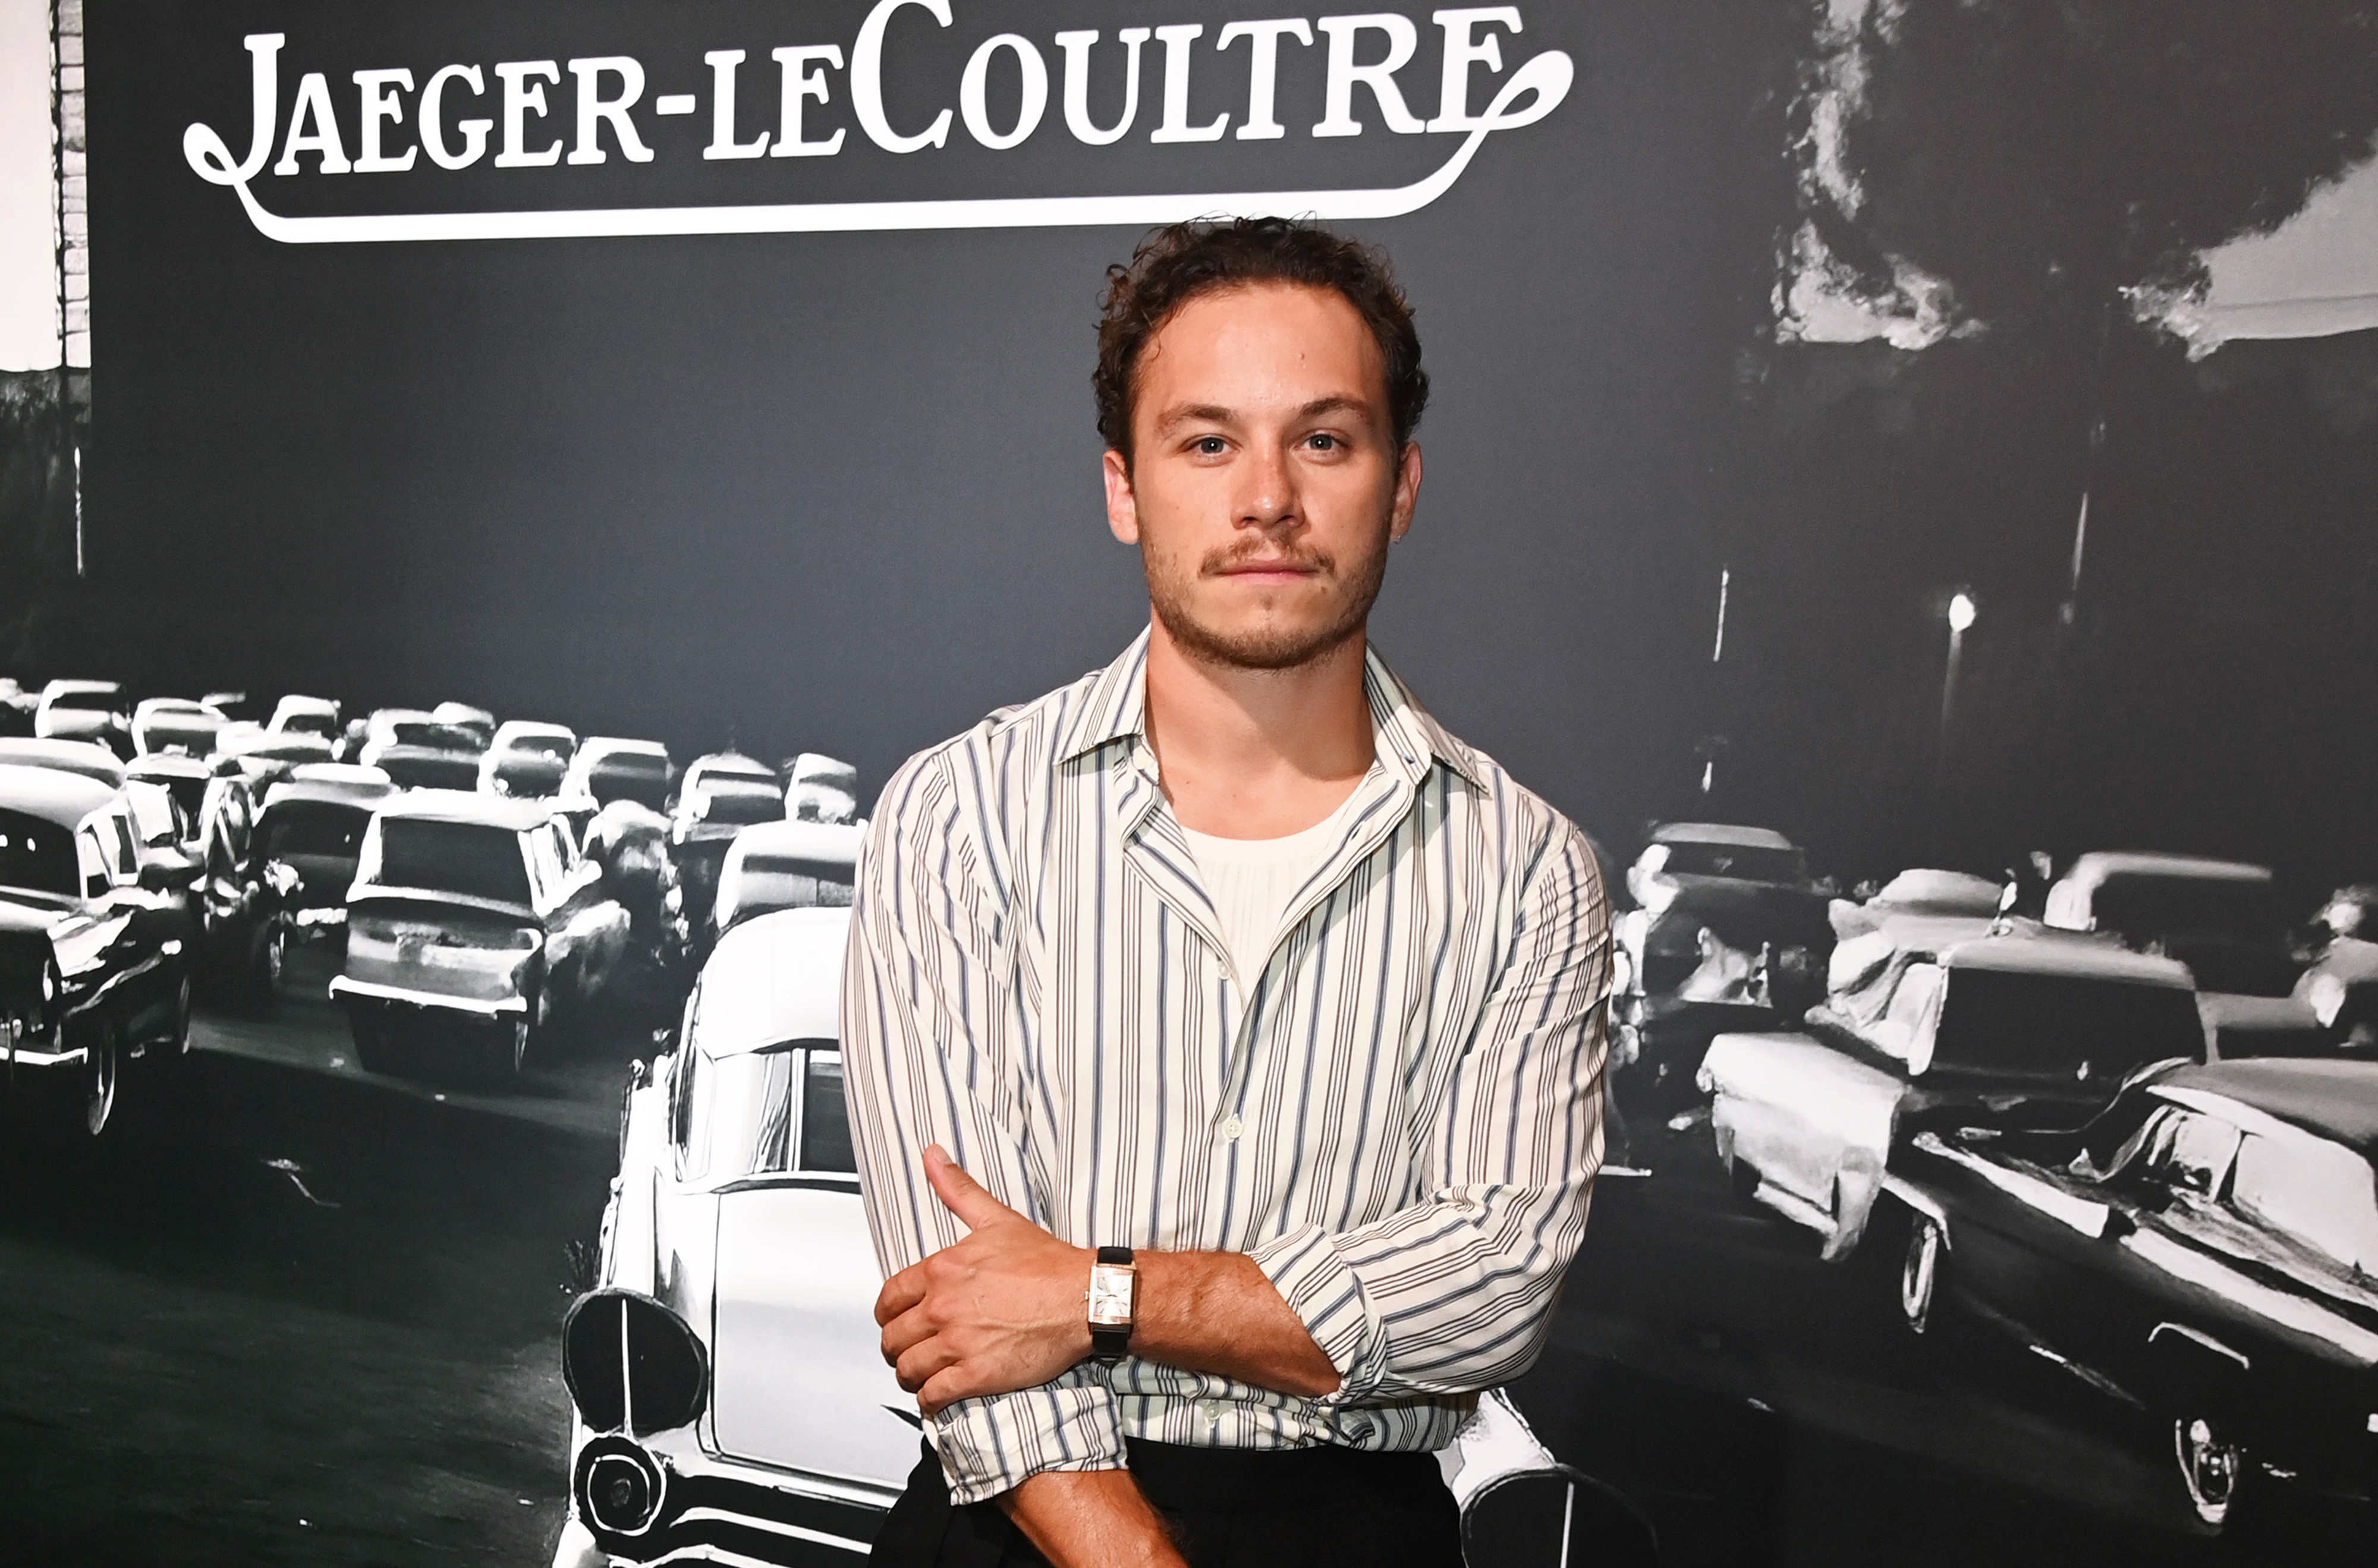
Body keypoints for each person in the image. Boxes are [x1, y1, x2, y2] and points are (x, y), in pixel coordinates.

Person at [842, 216, 1611, 1568]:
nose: (1266, 496)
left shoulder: (1529, 867)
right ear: (1122, 487)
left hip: (1357, 1528)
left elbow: (1493, 1290)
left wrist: (1097, 1293)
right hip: (1019, 1516)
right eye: (1207, 441)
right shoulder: (954, 814)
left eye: (1322, 438)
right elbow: (955, 1293)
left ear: (1402, 482)